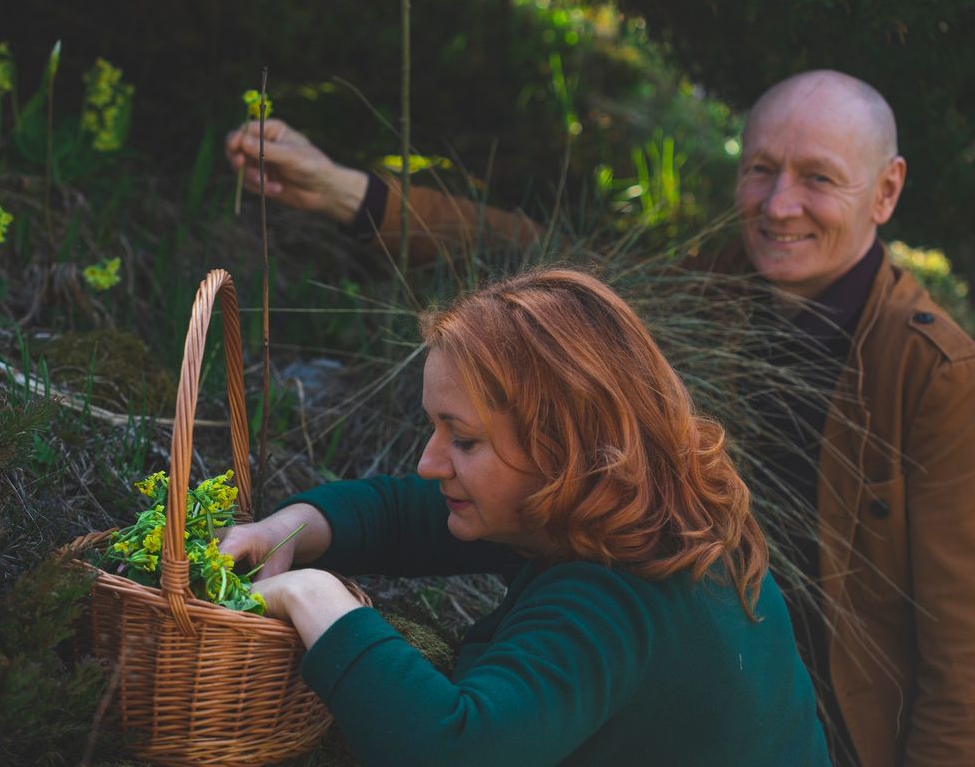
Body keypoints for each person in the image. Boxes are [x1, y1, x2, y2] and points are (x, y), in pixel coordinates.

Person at [226, 69, 975, 765]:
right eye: (759, 170)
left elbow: (963, 655)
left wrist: (315, 595)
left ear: (886, 191)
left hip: (850, 732)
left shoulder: (940, 378)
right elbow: (536, 269)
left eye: (817, 178)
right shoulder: (661, 438)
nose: (779, 204)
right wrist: (352, 195)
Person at [221, 267, 829, 766]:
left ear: (559, 450)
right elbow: (404, 513)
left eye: (463, 440)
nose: (430, 463)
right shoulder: (635, 507)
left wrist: (316, 597)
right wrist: (286, 529)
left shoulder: (614, 595)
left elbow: (450, 748)